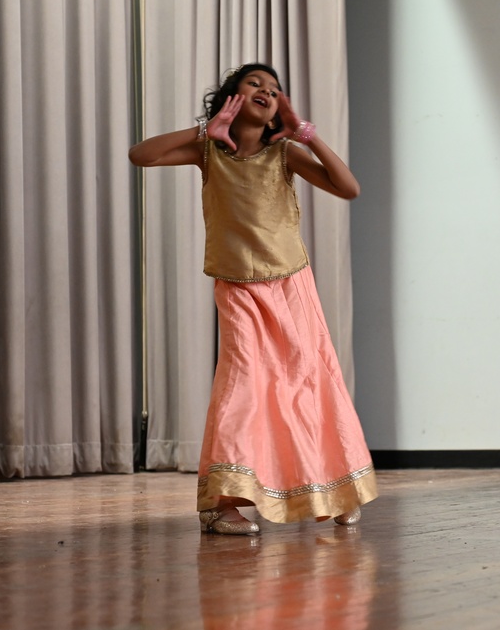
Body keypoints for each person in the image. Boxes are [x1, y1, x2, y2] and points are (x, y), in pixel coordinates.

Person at [129, 63, 377, 535]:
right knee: (243, 385)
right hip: (238, 286)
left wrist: (307, 135)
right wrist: (207, 127)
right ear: (232, 97)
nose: (267, 91)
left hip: (290, 284)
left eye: (275, 89)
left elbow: (349, 188)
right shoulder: (208, 150)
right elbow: (140, 155)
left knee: (307, 380)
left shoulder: (283, 152)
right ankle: (224, 503)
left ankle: (336, 488)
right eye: (255, 84)